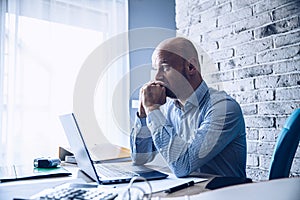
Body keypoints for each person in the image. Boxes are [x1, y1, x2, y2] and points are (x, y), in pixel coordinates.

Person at [130, 37, 246, 178]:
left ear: (191, 67)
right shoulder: (169, 108)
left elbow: (182, 166)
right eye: (156, 69)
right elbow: (140, 158)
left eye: (165, 68)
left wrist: (152, 109)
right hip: (189, 192)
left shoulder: (224, 108)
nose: (157, 77)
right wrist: (143, 114)